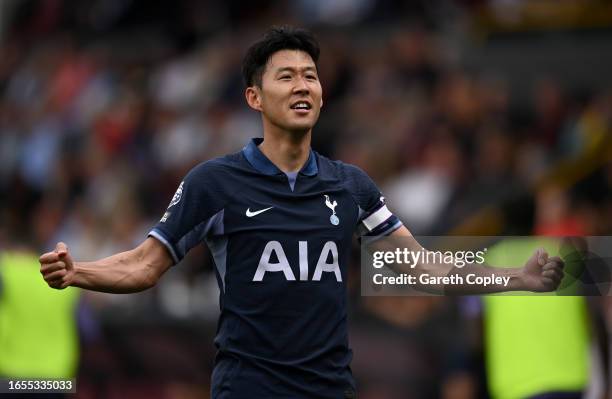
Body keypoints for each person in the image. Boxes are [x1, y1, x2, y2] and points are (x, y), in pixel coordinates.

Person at [39, 26, 564, 398]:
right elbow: (143, 266)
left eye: (310, 76)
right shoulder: (214, 183)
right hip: (249, 389)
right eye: (285, 76)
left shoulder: (350, 184)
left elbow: (423, 266)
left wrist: (517, 276)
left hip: (330, 389)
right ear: (254, 97)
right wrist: (77, 272)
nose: (302, 86)